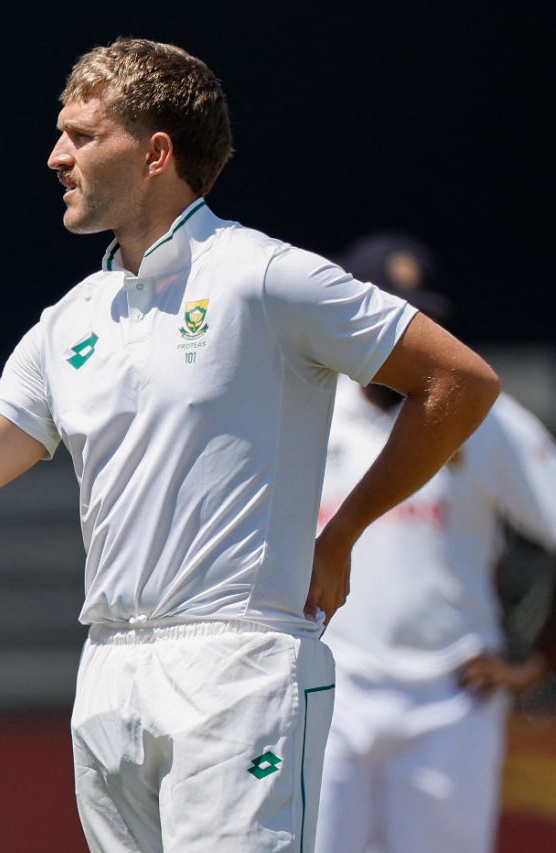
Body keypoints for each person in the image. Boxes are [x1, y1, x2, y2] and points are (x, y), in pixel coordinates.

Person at [0, 38, 501, 852]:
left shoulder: (266, 275)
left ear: (157, 152)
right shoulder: (70, 320)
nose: (57, 156)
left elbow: (460, 383)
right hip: (108, 669)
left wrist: (342, 535)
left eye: (83, 135)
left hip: (239, 660)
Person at [314, 232, 556, 853]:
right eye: (389, 320)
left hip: (450, 701)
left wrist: (537, 661)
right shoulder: (305, 413)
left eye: (419, 321)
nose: (407, 342)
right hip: (325, 696)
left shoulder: (480, 416)